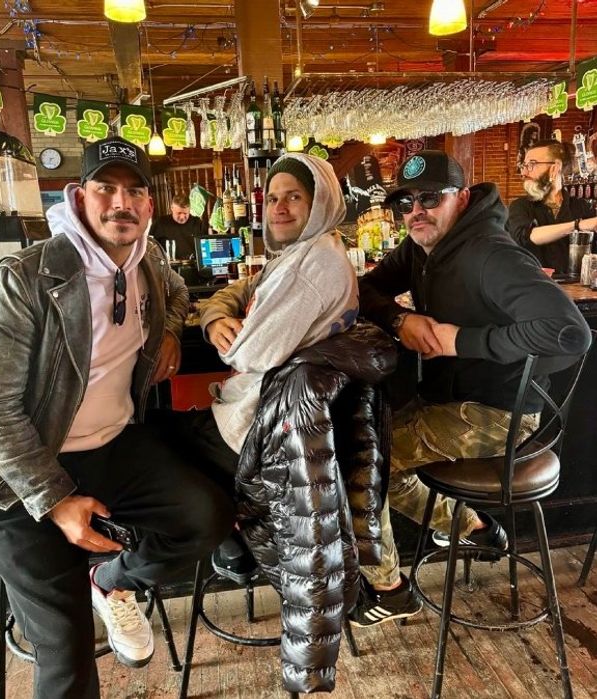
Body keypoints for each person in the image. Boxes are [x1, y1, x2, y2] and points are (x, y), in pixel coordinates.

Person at [0, 136, 232, 698]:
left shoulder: (148, 261)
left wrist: (168, 329)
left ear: (148, 205)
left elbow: (175, 290)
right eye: (105, 188)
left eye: (134, 191)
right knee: (66, 646)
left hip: (110, 447)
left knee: (204, 518)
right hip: (15, 481)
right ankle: (85, 595)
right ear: (79, 197)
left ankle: (110, 581)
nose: (121, 202)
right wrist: (54, 500)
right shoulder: (21, 280)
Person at [355, 150, 590, 627]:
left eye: (429, 198)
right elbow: (367, 289)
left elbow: (569, 333)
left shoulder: (489, 253)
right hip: (453, 403)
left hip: (498, 415)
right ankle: (472, 527)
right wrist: (401, 319)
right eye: (405, 202)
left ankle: (390, 590)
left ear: (461, 198)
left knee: (362, 461)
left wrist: (462, 341)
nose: (415, 211)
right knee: (373, 451)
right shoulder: (424, 246)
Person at [183, 153, 359, 580]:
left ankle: (231, 544)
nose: (278, 207)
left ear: (319, 202)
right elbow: (246, 287)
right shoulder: (312, 251)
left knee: (152, 443)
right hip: (291, 434)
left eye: (294, 197)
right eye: (274, 197)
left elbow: (245, 353)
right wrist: (215, 316)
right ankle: (233, 539)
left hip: (262, 437)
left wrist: (225, 328)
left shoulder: (309, 266)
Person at [507, 139, 597, 274]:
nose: (524, 173)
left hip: (577, 292)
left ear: (555, 168)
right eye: (524, 166)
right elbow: (527, 237)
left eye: (532, 164)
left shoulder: (582, 207)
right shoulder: (520, 206)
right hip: (534, 288)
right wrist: (578, 225)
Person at [151, 193, 206, 259]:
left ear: (189, 209)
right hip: (168, 267)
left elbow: (205, 248)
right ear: (172, 208)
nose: (182, 217)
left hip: (193, 266)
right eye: (179, 213)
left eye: (185, 213)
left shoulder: (197, 223)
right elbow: (151, 248)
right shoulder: (160, 223)